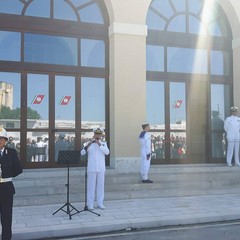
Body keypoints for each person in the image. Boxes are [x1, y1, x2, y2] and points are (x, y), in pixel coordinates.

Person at [0, 127, 22, 240]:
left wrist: (7, 174)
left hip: (6, 188)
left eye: (2, 138)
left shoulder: (11, 152)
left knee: (6, 218)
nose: (0, 141)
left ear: (6, 140)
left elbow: (18, 169)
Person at [81, 128, 109, 210]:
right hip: (91, 168)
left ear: (101, 135)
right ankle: (90, 204)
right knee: (91, 186)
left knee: (100, 186)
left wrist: (99, 144)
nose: (98, 136)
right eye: (96, 134)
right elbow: (82, 153)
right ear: (94, 135)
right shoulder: (88, 144)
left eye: (99, 134)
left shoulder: (103, 144)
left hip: (101, 168)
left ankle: (100, 203)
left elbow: (107, 152)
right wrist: (88, 145)